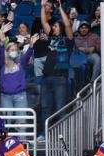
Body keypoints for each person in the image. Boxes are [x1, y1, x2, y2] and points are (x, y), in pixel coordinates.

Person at [39, 0, 74, 141]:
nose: (53, 26)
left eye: (55, 25)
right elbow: (43, 22)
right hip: (46, 78)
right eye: (53, 25)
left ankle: (63, 136)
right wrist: (42, 6)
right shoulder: (50, 38)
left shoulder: (68, 40)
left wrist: (60, 8)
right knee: (45, 107)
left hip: (60, 78)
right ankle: (44, 134)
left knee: (60, 108)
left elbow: (67, 25)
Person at [0, 35, 38, 130]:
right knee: (6, 123)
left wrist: (31, 44)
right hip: (6, 97)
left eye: (15, 50)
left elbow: (28, 54)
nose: (14, 52)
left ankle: (22, 142)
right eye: (11, 50)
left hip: (20, 96)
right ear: (7, 52)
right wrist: (1, 43)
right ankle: (6, 143)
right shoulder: (2, 63)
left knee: (21, 122)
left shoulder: (20, 60)